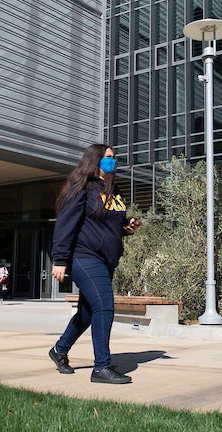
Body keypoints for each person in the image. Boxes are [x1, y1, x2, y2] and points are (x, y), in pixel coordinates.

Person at [47, 144, 141, 385]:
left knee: (88, 312)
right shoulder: (83, 188)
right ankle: (101, 367)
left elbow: (109, 225)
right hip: (84, 256)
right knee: (105, 306)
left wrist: (126, 228)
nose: (113, 161)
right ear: (95, 159)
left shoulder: (113, 189)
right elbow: (66, 223)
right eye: (108, 157)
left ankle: (59, 351)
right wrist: (59, 259)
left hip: (105, 259)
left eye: (113, 157)